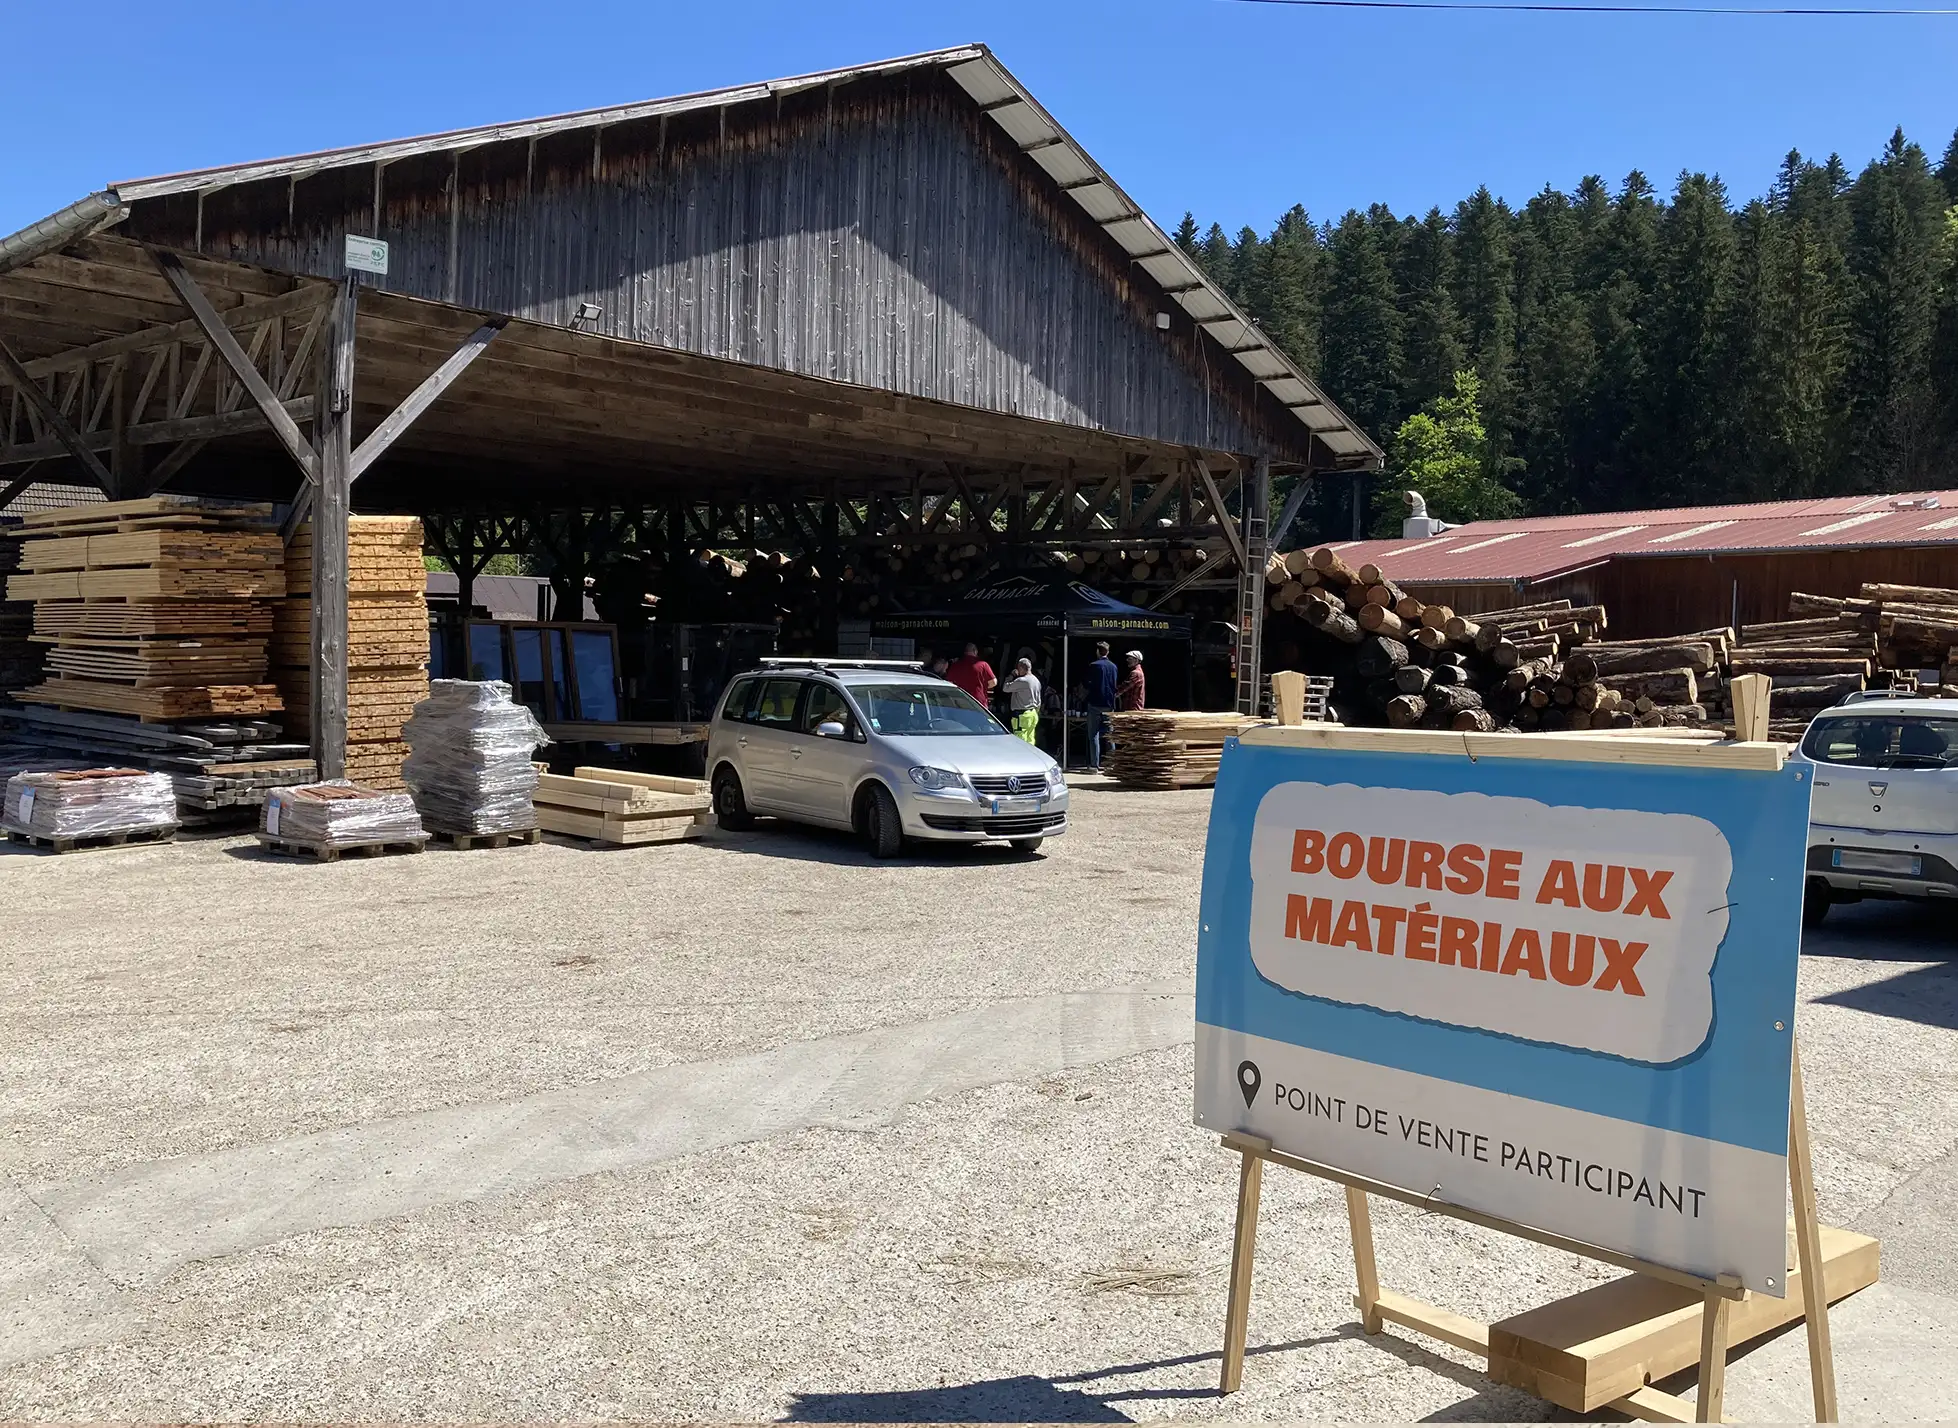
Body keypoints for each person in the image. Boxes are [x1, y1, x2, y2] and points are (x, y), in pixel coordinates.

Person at [1083, 640, 1119, 771]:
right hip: (1109, 704)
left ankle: (1094, 765)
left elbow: (1088, 684)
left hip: (1095, 703)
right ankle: (1112, 764)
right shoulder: (1114, 667)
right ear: (1108, 652)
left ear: (1098, 651)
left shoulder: (1094, 665)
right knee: (1110, 734)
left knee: (1093, 734)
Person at [1001, 657, 1042, 745]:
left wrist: (1011, 676)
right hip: (1033, 713)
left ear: (1021, 668)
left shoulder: (1022, 681)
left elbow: (1005, 688)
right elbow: (1039, 700)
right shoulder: (1036, 681)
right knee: (1030, 739)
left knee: (1020, 740)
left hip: (1022, 715)